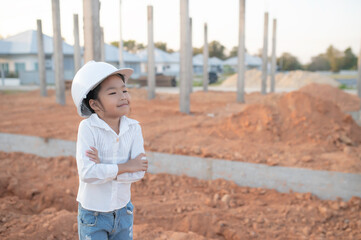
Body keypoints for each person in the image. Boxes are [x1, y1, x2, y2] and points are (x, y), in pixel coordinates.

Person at [71, 61, 148, 240]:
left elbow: (139, 172)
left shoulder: (134, 128)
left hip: (123, 211)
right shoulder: (88, 129)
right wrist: (127, 166)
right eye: (113, 93)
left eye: (124, 90)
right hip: (93, 216)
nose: (122, 96)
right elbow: (88, 173)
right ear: (95, 105)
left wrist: (104, 167)